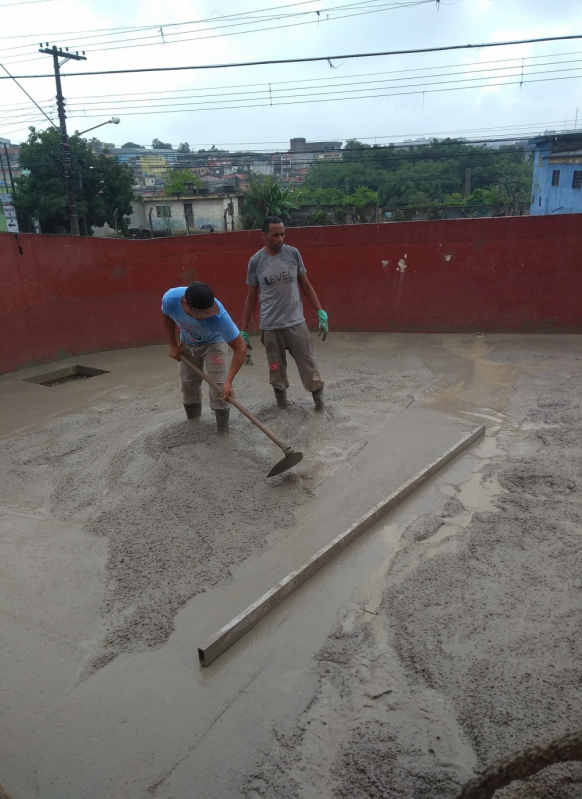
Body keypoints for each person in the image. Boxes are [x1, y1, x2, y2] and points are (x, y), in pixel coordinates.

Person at [241, 215, 329, 411]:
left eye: (282, 234)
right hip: (270, 328)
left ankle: (320, 408)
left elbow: (305, 285)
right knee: (276, 370)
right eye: (275, 235)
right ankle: (283, 410)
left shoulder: (293, 254)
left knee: (310, 366)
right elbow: (251, 298)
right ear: (263, 235)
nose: (280, 239)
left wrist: (320, 311)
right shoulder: (255, 262)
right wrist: (244, 331)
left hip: (296, 323)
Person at [161, 281, 247, 434]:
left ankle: (222, 432)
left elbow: (240, 348)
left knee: (220, 390)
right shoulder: (170, 299)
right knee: (188, 385)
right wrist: (173, 344)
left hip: (214, 343)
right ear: (186, 303)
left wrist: (229, 381)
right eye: (201, 314)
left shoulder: (220, 316)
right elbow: (167, 315)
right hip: (187, 343)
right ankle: (194, 427)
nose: (206, 317)